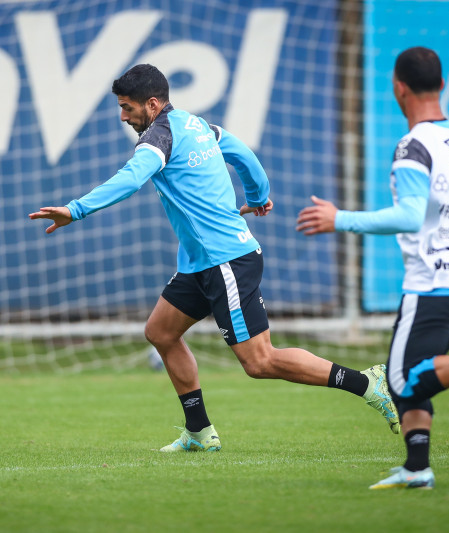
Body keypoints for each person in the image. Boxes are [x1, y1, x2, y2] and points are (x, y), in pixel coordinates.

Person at [30, 63, 400, 453]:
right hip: (199, 262)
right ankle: (199, 432)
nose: (123, 116)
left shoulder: (157, 139)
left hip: (225, 262)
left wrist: (76, 209)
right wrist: (257, 197)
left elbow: (131, 178)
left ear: (152, 105)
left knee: (259, 362)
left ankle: (366, 383)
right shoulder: (199, 125)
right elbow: (245, 156)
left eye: (127, 108)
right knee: (160, 332)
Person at [296, 47, 449, 489]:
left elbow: (411, 215)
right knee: (419, 374)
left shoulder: (413, 145)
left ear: (399, 88)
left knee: (401, 380)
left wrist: (341, 219)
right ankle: (417, 468)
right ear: (443, 85)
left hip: (434, 283)